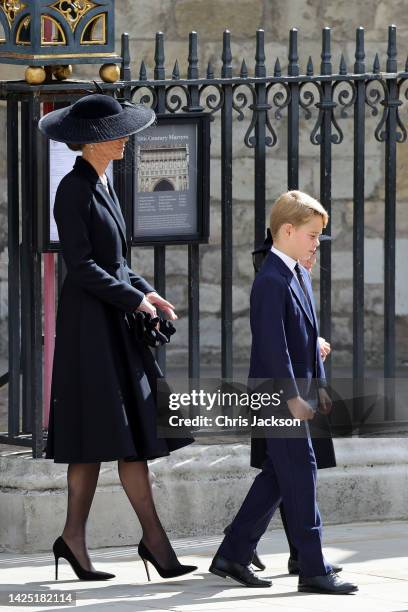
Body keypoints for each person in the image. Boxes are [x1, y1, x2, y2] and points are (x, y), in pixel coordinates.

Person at [38, 93, 196, 582]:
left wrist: (149, 292)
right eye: (118, 133)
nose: (126, 139)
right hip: (90, 330)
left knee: (133, 437)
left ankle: (149, 542)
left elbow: (118, 263)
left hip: (114, 324)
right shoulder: (73, 190)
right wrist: (135, 302)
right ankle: (80, 541)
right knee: (93, 439)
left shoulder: (104, 184)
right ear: (93, 142)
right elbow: (81, 266)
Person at [209, 190, 358, 594]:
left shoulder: (298, 273)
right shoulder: (271, 280)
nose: (316, 244)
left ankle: (233, 553)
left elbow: (301, 332)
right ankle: (313, 568)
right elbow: (272, 346)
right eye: (312, 236)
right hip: (280, 398)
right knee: (302, 472)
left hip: (296, 394)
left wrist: (318, 371)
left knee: (279, 474)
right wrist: (293, 396)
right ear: (287, 231)